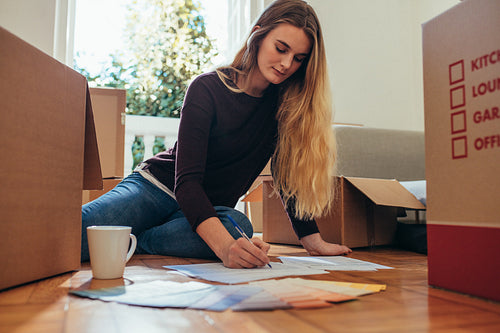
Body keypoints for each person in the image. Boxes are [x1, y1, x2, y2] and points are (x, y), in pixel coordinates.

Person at [81, 0, 352, 268]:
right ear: (258, 35)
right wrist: (224, 249)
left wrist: (312, 241)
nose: (286, 63)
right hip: (156, 188)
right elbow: (187, 184)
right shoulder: (207, 88)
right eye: (281, 48)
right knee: (76, 233)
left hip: (205, 211)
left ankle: (139, 238)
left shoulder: (284, 108)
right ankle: (142, 231)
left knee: (240, 229)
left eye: (298, 59)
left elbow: (287, 178)